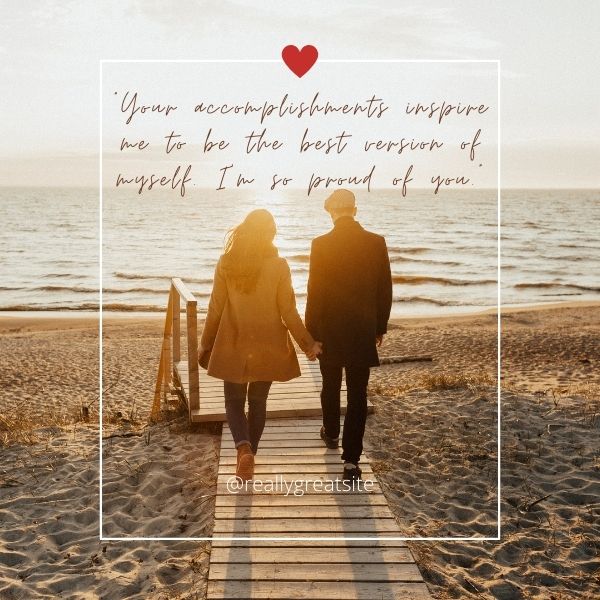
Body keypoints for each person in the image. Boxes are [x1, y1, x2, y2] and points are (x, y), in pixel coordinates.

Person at [199, 209, 322, 481]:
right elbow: (288, 312)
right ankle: (250, 452)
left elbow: (215, 308)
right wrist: (308, 344)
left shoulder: (226, 263)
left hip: (233, 341)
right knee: (258, 401)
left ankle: (243, 449)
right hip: (268, 344)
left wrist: (205, 344)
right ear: (270, 235)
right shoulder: (279, 266)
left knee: (233, 401)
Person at [306, 189, 392, 481]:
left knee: (330, 386)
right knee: (357, 394)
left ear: (331, 212)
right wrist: (379, 326)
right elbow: (384, 289)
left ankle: (330, 432)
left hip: (329, 330)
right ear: (354, 210)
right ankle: (351, 461)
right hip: (361, 330)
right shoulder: (375, 242)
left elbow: (314, 293)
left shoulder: (320, 244)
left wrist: (311, 334)